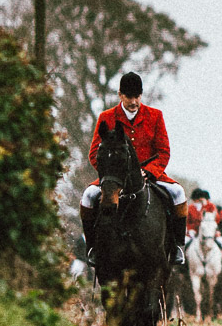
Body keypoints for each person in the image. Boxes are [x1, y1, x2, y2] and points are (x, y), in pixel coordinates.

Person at [79, 72, 188, 267]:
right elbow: (94, 153)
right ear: (120, 95)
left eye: (137, 96)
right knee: (87, 197)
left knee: (178, 193)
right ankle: (93, 246)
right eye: (129, 96)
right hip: (115, 179)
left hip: (150, 175)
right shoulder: (106, 117)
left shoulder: (155, 116)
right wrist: (113, 176)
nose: (134, 101)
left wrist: (149, 171)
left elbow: (163, 152)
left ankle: (177, 245)